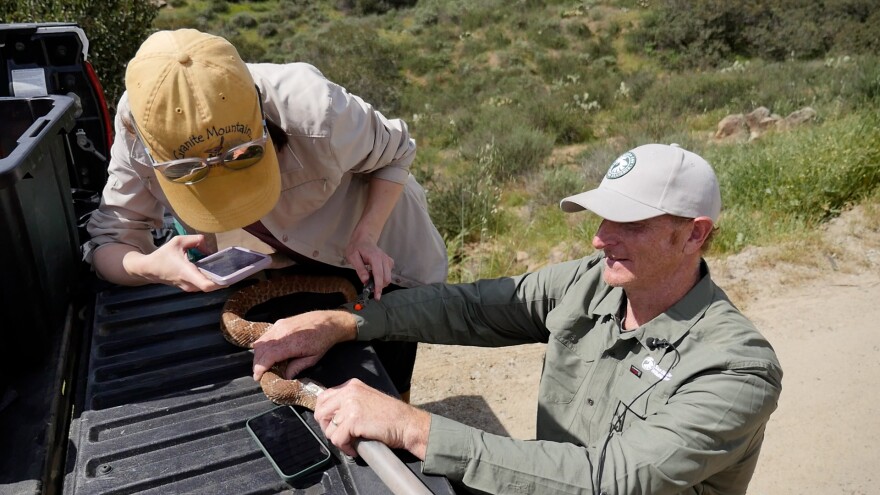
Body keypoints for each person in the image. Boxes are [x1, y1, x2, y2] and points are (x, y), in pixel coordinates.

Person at [250, 143, 783, 494]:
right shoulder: (590, 280)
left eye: (630, 222)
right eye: (602, 217)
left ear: (694, 234)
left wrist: (415, 427)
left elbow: (611, 480)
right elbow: (472, 307)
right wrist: (347, 321)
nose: (600, 237)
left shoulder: (735, 368)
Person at [82, 28, 448, 401]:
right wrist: (149, 267)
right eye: (190, 175)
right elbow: (109, 243)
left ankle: (398, 432)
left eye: (244, 161)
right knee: (328, 369)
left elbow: (398, 150)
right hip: (283, 262)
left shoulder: (314, 107)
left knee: (387, 369)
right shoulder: (141, 122)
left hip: (375, 250)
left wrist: (366, 234)